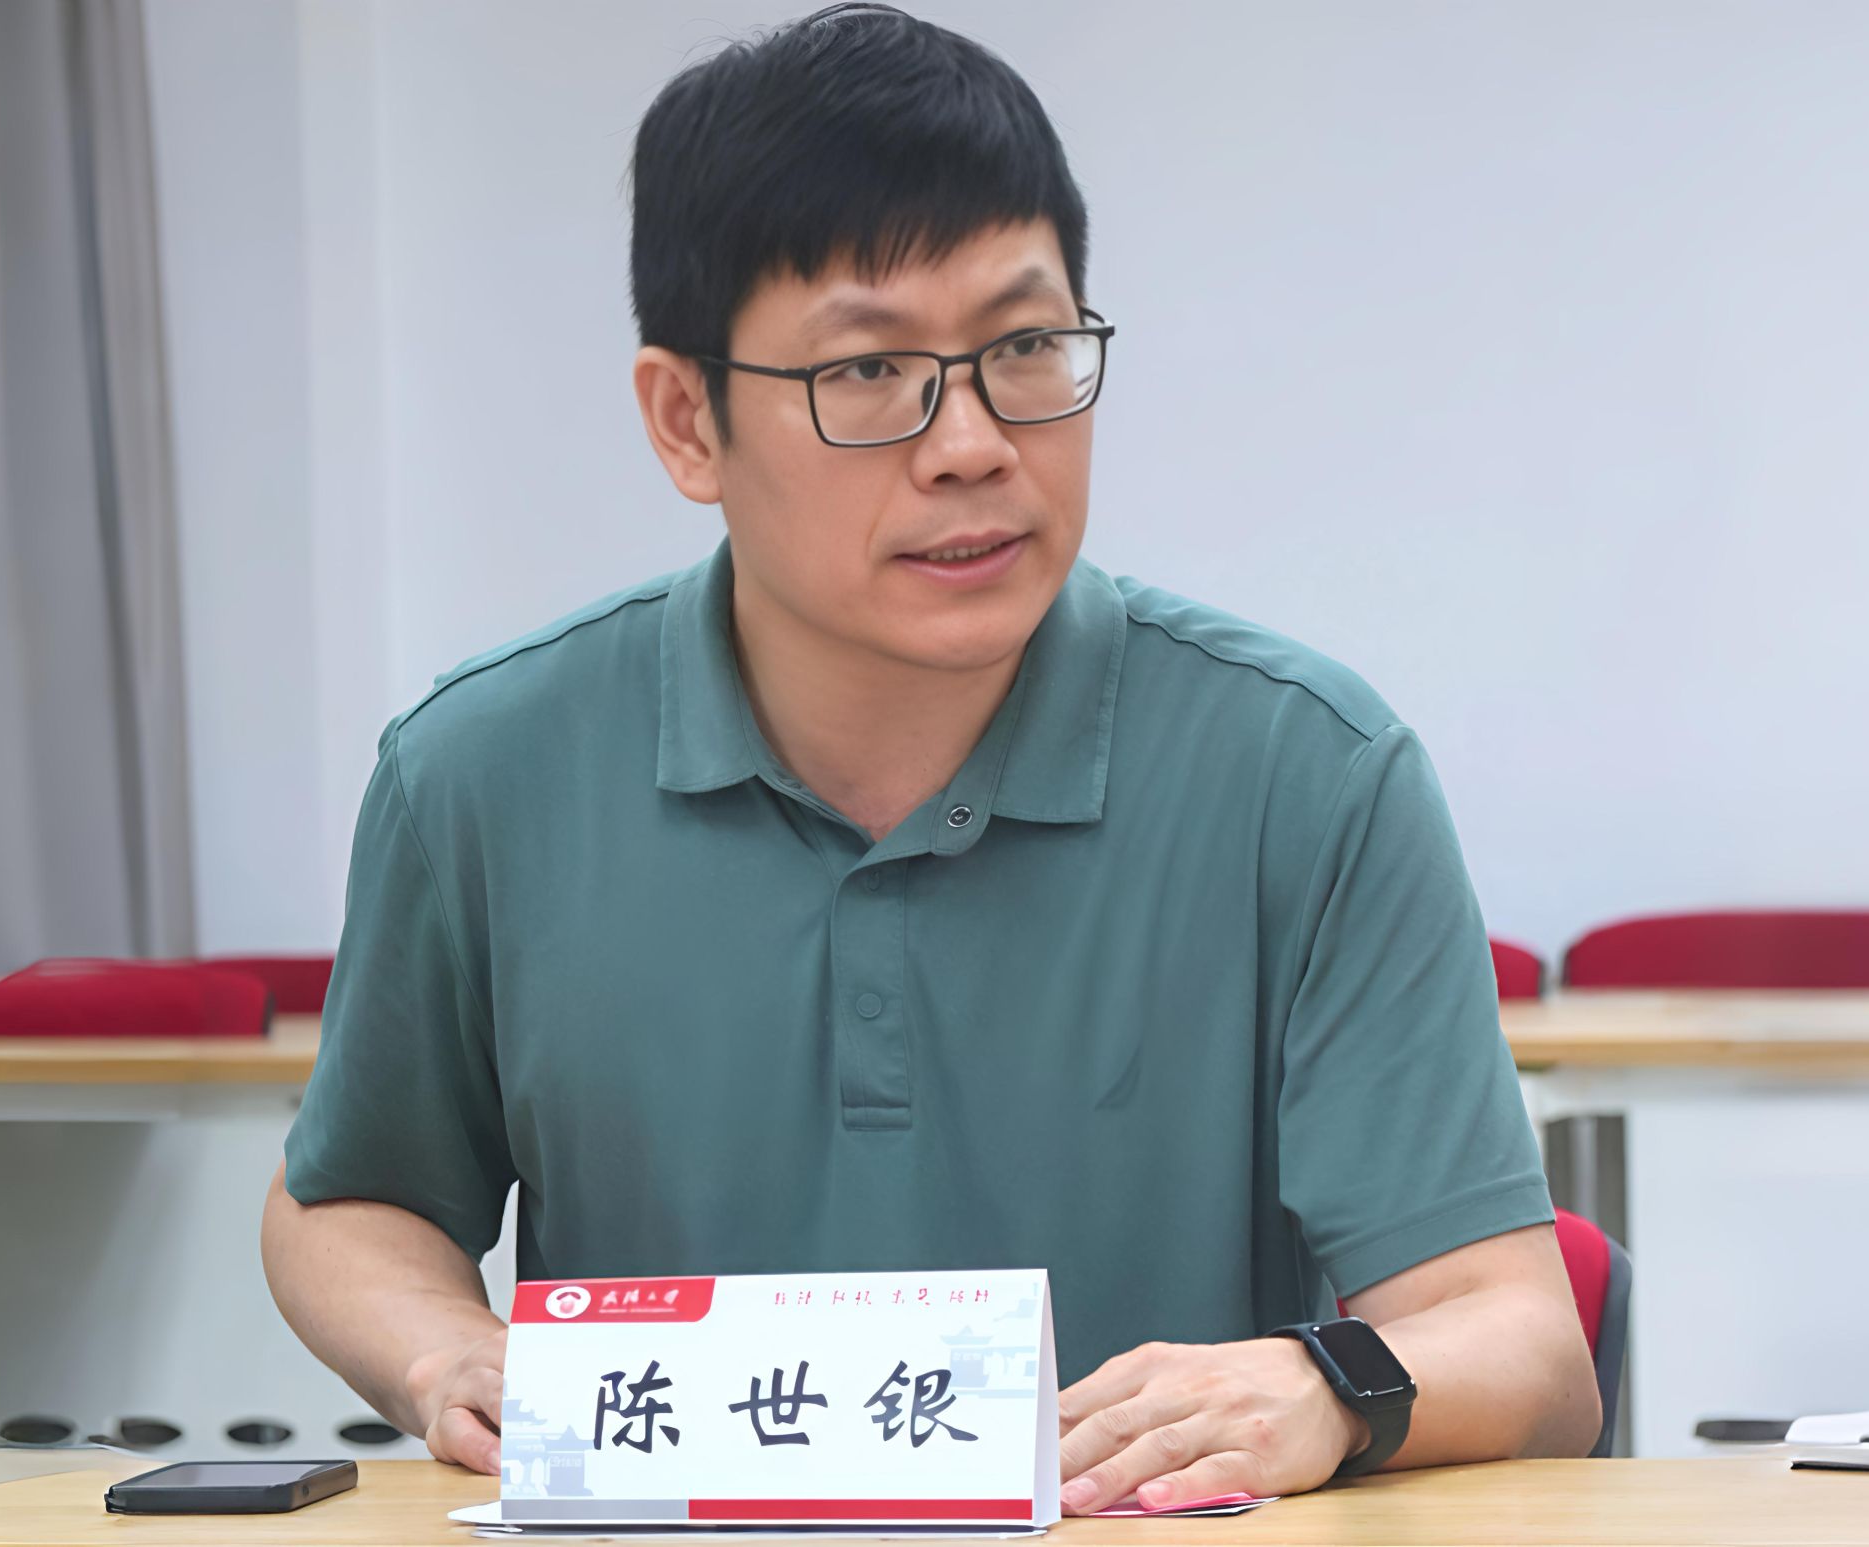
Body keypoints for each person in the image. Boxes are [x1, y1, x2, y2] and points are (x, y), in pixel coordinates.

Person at [262, 2, 1600, 1512]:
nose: (972, 443)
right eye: (869, 373)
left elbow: (1524, 1341)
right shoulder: (483, 773)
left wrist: (1321, 1386)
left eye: (1025, 348)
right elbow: (347, 1201)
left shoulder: (1306, 773)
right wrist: (446, 1350)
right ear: (688, 420)